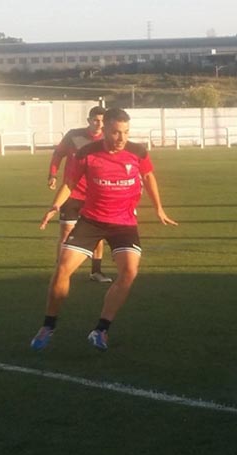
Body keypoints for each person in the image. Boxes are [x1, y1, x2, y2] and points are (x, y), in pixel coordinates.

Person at [32, 108, 178, 352]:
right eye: (116, 132)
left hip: (124, 223)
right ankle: (48, 325)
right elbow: (70, 183)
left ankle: (100, 330)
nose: (121, 138)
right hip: (91, 220)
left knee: (129, 271)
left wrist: (159, 209)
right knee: (63, 267)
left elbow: (149, 176)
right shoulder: (86, 153)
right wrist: (55, 206)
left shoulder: (138, 152)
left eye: (126, 132)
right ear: (105, 130)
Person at [47, 106, 113, 283]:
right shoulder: (74, 136)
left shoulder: (108, 139)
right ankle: (60, 268)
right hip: (72, 192)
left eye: (102, 121)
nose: (99, 124)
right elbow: (58, 154)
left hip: (95, 194)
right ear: (88, 120)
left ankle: (96, 271)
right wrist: (52, 174)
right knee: (66, 232)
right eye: (95, 120)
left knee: (97, 234)